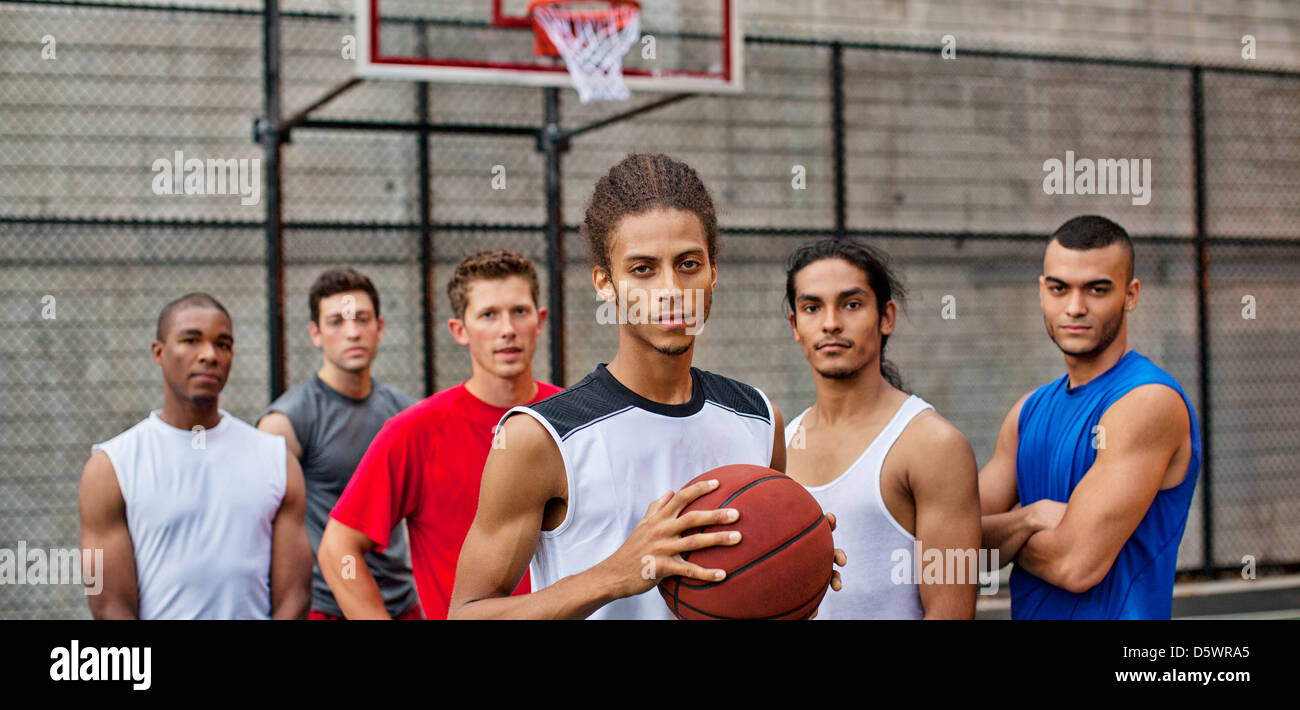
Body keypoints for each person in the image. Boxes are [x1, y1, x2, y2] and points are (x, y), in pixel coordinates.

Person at [448, 153, 844, 620]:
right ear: (604, 283)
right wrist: (613, 575)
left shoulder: (759, 417)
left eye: (689, 263)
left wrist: (796, 563)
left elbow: (756, 584)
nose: (671, 288)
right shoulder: (541, 438)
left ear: (713, 271)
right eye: (642, 269)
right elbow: (467, 613)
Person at [318, 250, 562, 619]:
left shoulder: (574, 417)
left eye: (519, 312)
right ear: (459, 330)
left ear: (540, 320)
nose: (507, 329)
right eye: (488, 315)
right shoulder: (416, 431)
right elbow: (338, 547)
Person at [979, 215, 1201, 619]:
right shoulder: (1027, 412)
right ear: (1042, 292)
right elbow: (957, 544)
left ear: (1130, 295)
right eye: (1059, 288)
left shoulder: (1148, 401)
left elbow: (1075, 564)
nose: (1075, 307)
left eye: (1096, 290)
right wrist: (1030, 517)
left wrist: (1006, 535)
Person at [78, 293, 312, 619]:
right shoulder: (112, 466)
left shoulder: (275, 459)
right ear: (158, 352)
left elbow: (296, 597)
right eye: (191, 340)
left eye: (223, 344)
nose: (209, 355)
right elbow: (110, 608)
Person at [783, 238, 980, 619]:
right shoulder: (784, 441)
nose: (831, 323)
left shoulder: (933, 445)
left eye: (851, 304)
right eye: (812, 307)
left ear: (886, 317)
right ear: (795, 324)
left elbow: (951, 614)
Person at [258, 268, 420, 620]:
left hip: (401, 602)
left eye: (362, 319)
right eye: (336, 322)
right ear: (315, 333)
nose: (352, 332)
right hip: (328, 605)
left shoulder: (405, 415)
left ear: (380, 327)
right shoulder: (286, 422)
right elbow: (257, 527)